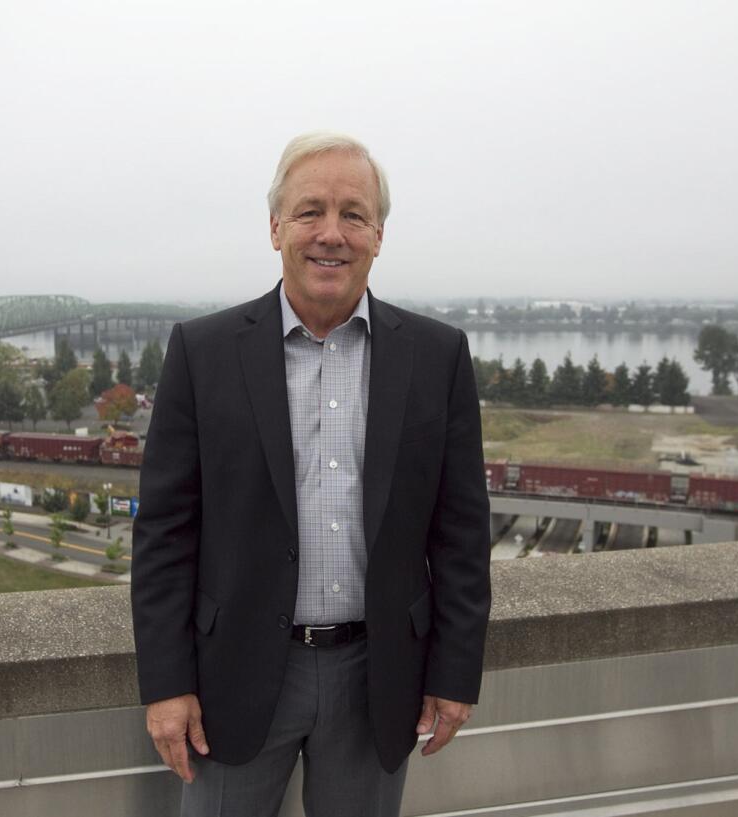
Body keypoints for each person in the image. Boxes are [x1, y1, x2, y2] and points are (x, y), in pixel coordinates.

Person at [132, 132, 491, 816]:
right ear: (275, 228)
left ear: (379, 233)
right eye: (310, 211)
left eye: (353, 214)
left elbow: (462, 533)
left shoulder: (437, 357)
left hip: (378, 677)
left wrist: (454, 672)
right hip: (230, 680)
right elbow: (164, 536)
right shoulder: (202, 353)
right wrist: (166, 683)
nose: (332, 234)